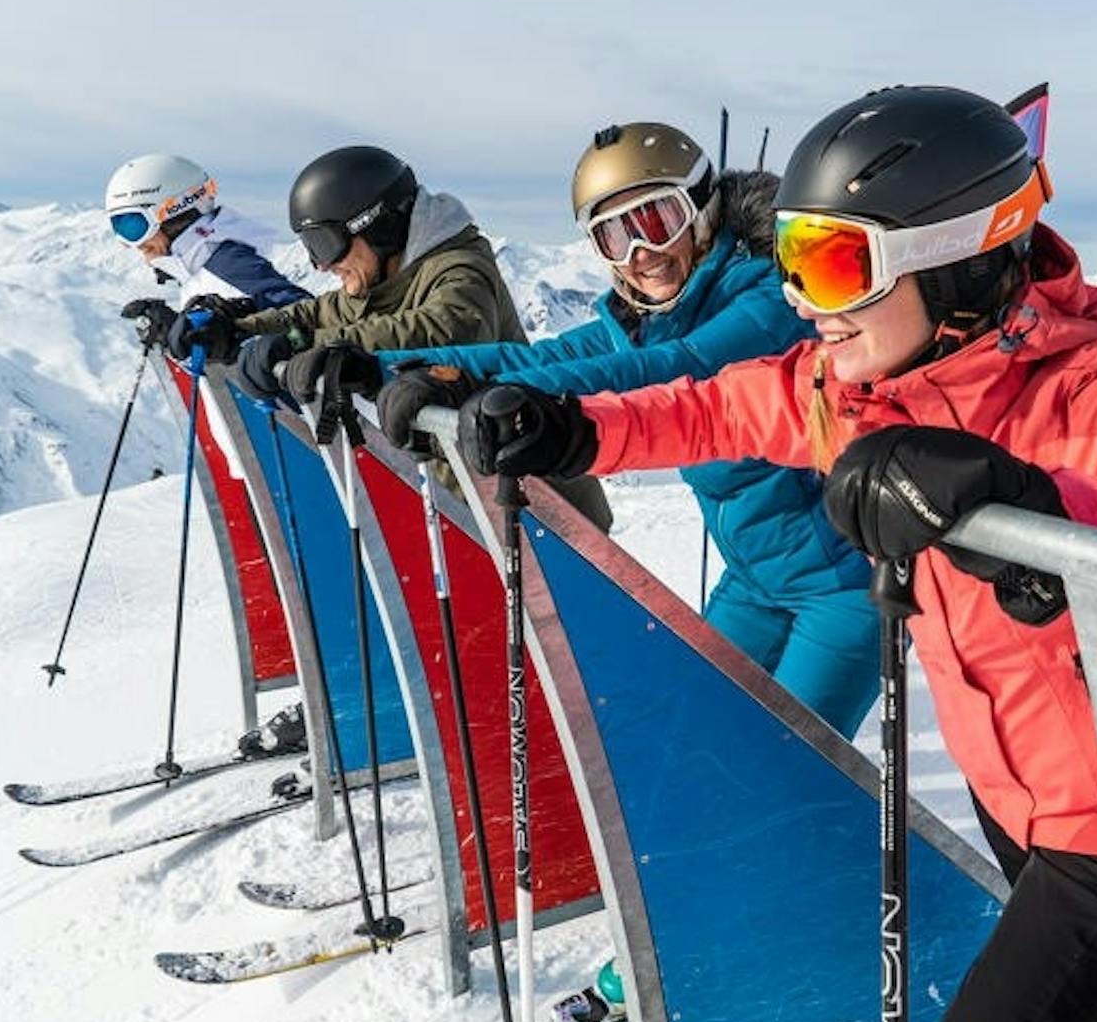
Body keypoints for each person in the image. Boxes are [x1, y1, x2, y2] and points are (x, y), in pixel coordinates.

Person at [452, 85, 1097, 1022]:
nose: (799, 299)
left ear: (952, 256)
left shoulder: (1085, 389)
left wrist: (1049, 504)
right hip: (1012, 797)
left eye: (832, 263)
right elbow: (712, 403)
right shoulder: (858, 391)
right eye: (791, 260)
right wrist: (577, 428)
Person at [376, 121, 881, 736]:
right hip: (752, 583)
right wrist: (407, 370)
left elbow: (673, 370)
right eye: (613, 236)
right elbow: (544, 359)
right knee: (700, 743)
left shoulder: (768, 302)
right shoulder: (647, 318)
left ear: (701, 210)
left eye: (655, 221)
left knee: (797, 783)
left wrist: (524, 402)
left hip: (837, 592)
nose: (639, 253)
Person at [167, 144, 611, 762]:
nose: (323, 267)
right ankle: (444, 733)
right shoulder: (386, 272)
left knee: (569, 646)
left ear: (373, 224)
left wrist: (308, 347)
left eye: (326, 247)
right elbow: (317, 311)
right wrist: (238, 329)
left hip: (538, 506)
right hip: (469, 502)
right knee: (485, 636)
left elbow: (437, 329)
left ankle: (581, 757)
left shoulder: (459, 269)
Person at [103, 153, 313, 760]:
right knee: (292, 574)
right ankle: (328, 702)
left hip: (290, 450)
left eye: (132, 228)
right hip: (268, 451)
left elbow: (295, 313)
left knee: (310, 572)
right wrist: (180, 321)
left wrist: (227, 322)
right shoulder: (205, 259)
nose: (132, 247)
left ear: (172, 211)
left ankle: (339, 711)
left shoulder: (226, 258)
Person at [103, 153, 309, 351]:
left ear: (174, 211)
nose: (130, 243)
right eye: (118, 225)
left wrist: (235, 332)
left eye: (133, 225)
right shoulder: (197, 267)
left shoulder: (227, 263)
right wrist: (178, 330)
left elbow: (308, 317)